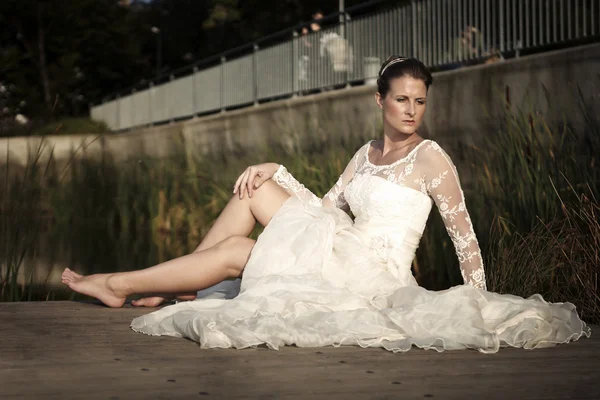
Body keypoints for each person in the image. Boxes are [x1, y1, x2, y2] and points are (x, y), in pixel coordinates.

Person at [62, 56, 590, 353]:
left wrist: (476, 301)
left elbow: (465, 239)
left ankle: (127, 284)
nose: (412, 110)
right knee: (252, 191)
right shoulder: (365, 153)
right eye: (402, 99)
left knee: (241, 251)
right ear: (379, 100)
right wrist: (277, 171)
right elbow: (326, 208)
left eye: (420, 101)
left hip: (374, 275)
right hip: (342, 245)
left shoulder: (432, 159)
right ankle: (156, 287)